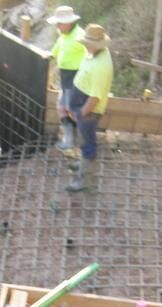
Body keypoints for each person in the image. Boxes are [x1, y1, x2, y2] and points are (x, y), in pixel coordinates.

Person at [65, 23, 114, 193]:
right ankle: (82, 164)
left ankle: (84, 180)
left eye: (87, 44)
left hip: (88, 109)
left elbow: (95, 98)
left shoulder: (102, 67)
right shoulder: (96, 52)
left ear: (95, 45)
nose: (84, 46)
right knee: (83, 138)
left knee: (87, 144)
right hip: (82, 103)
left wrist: (80, 114)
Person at [47, 6, 86, 151]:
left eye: (59, 23)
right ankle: (69, 140)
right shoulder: (63, 36)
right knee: (61, 107)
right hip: (65, 78)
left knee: (73, 110)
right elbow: (55, 51)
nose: (57, 26)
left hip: (76, 78)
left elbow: (91, 55)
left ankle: (84, 142)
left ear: (69, 22)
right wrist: (47, 56)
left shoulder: (80, 35)